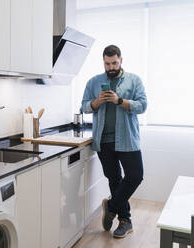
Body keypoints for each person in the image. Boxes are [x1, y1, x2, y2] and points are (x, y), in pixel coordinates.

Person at [81, 45, 147, 238]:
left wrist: (120, 101)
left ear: (121, 60)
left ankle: (110, 206)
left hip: (127, 139)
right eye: (107, 63)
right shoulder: (94, 82)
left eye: (114, 63)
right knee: (115, 180)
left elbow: (142, 105)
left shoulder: (134, 81)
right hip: (104, 141)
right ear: (103, 62)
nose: (111, 67)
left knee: (135, 176)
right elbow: (84, 106)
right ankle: (125, 221)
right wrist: (96, 102)